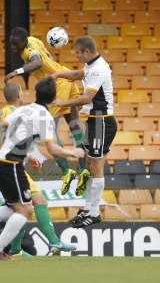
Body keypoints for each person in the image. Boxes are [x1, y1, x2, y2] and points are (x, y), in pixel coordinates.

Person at [0, 78, 84, 261]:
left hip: (6, 163)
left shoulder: (24, 109)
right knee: (25, 211)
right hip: (10, 165)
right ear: (54, 99)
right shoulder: (44, 116)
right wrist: (73, 152)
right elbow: (52, 149)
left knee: (15, 208)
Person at [5, 27, 89, 197]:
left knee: (48, 132)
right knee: (74, 126)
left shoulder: (29, 52)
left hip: (57, 86)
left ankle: (67, 172)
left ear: (22, 42)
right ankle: (84, 171)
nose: (13, 49)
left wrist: (16, 71)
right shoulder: (33, 39)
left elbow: (37, 62)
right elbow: (48, 57)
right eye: (11, 45)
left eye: (15, 45)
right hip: (66, 79)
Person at [51, 36, 117, 228]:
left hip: (102, 121)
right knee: (89, 164)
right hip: (94, 121)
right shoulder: (91, 65)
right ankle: (88, 208)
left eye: (78, 53)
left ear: (87, 51)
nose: (77, 56)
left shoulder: (99, 68)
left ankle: (95, 212)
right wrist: (58, 75)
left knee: (95, 165)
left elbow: (87, 98)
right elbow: (79, 74)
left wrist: (62, 103)